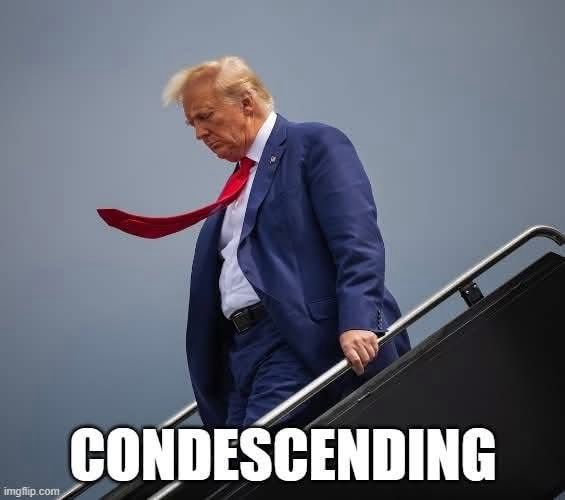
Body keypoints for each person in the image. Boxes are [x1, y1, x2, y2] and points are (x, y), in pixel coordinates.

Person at [97, 55, 411, 429]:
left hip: (297, 336)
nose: (199, 133)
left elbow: (357, 240)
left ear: (246, 103)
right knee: (231, 462)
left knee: (250, 456)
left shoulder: (312, 144)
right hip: (242, 356)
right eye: (193, 124)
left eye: (205, 117)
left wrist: (359, 320)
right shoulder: (236, 188)